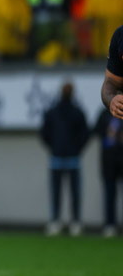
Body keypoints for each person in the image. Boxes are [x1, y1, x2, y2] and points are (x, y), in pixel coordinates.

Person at [40, 81, 90, 236]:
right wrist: (76, 149)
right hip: (70, 158)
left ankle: (56, 221)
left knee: (58, 192)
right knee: (73, 193)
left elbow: (44, 134)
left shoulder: (53, 111)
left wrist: (54, 148)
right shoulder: (77, 111)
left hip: (60, 157)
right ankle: (75, 222)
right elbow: (85, 134)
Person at [93, 108, 123, 238]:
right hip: (108, 161)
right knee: (109, 194)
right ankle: (110, 225)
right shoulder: (104, 113)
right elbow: (97, 132)